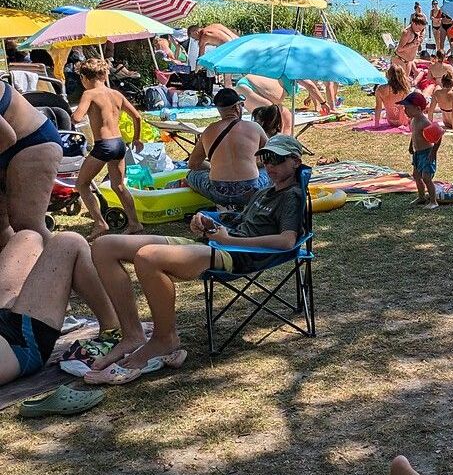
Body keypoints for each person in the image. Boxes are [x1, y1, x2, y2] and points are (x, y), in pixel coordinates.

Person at [87, 135, 307, 381]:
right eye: (266, 159)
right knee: (104, 245)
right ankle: (132, 335)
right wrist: (205, 219)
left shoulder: (292, 196)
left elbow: (287, 241)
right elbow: (238, 221)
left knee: (148, 257)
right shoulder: (265, 192)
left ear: (296, 161)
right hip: (216, 243)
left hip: (238, 254)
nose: (270, 165)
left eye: (277, 159)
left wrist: (230, 241)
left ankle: (164, 339)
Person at [1, 231, 121, 385]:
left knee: (27, 237)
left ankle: (116, 328)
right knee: (69, 243)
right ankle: (114, 331)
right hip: (17, 344)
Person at [70, 58, 144, 239]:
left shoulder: (89, 94)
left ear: (83, 78)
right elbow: (137, 117)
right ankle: (135, 223)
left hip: (104, 145)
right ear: (104, 75)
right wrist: (137, 139)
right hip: (119, 143)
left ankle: (100, 223)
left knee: (82, 184)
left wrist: (73, 113)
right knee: (118, 186)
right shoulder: (116, 94)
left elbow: (77, 118)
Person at [0, 80, 64, 244]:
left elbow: (7, 137)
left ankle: (69, 262)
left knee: (27, 226)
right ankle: (15, 268)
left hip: (32, 142)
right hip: (9, 145)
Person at [185, 88, 269, 208]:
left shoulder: (208, 130)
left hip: (218, 192)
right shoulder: (255, 127)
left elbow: (193, 164)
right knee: (269, 171)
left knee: (191, 175)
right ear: (237, 107)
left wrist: (210, 167)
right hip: (251, 191)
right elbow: (272, 156)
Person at [402, 92, 440, 210]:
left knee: (426, 178)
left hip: (426, 153)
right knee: (416, 175)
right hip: (417, 153)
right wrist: (410, 145)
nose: (405, 111)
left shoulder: (425, 122)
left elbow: (438, 137)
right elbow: (414, 134)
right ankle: (421, 197)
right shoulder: (413, 120)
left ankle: (433, 201)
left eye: (407, 108)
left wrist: (433, 152)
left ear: (418, 108)